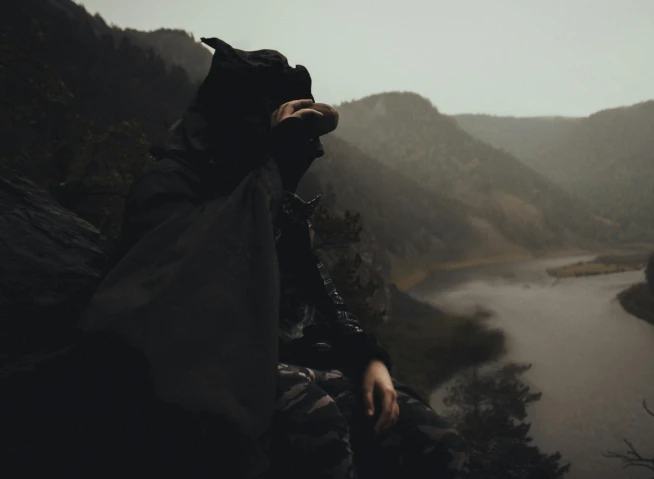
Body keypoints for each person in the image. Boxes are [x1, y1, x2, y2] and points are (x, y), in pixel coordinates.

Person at [79, 38, 466, 479]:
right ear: (242, 120)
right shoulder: (168, 186)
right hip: (209, 377)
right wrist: (272, 172)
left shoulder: (262, 181)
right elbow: (188, 294)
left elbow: (315, 283)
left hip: (291, 363)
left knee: (433, 439)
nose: (312, 150)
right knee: (317, 423)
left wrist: (368, 357)